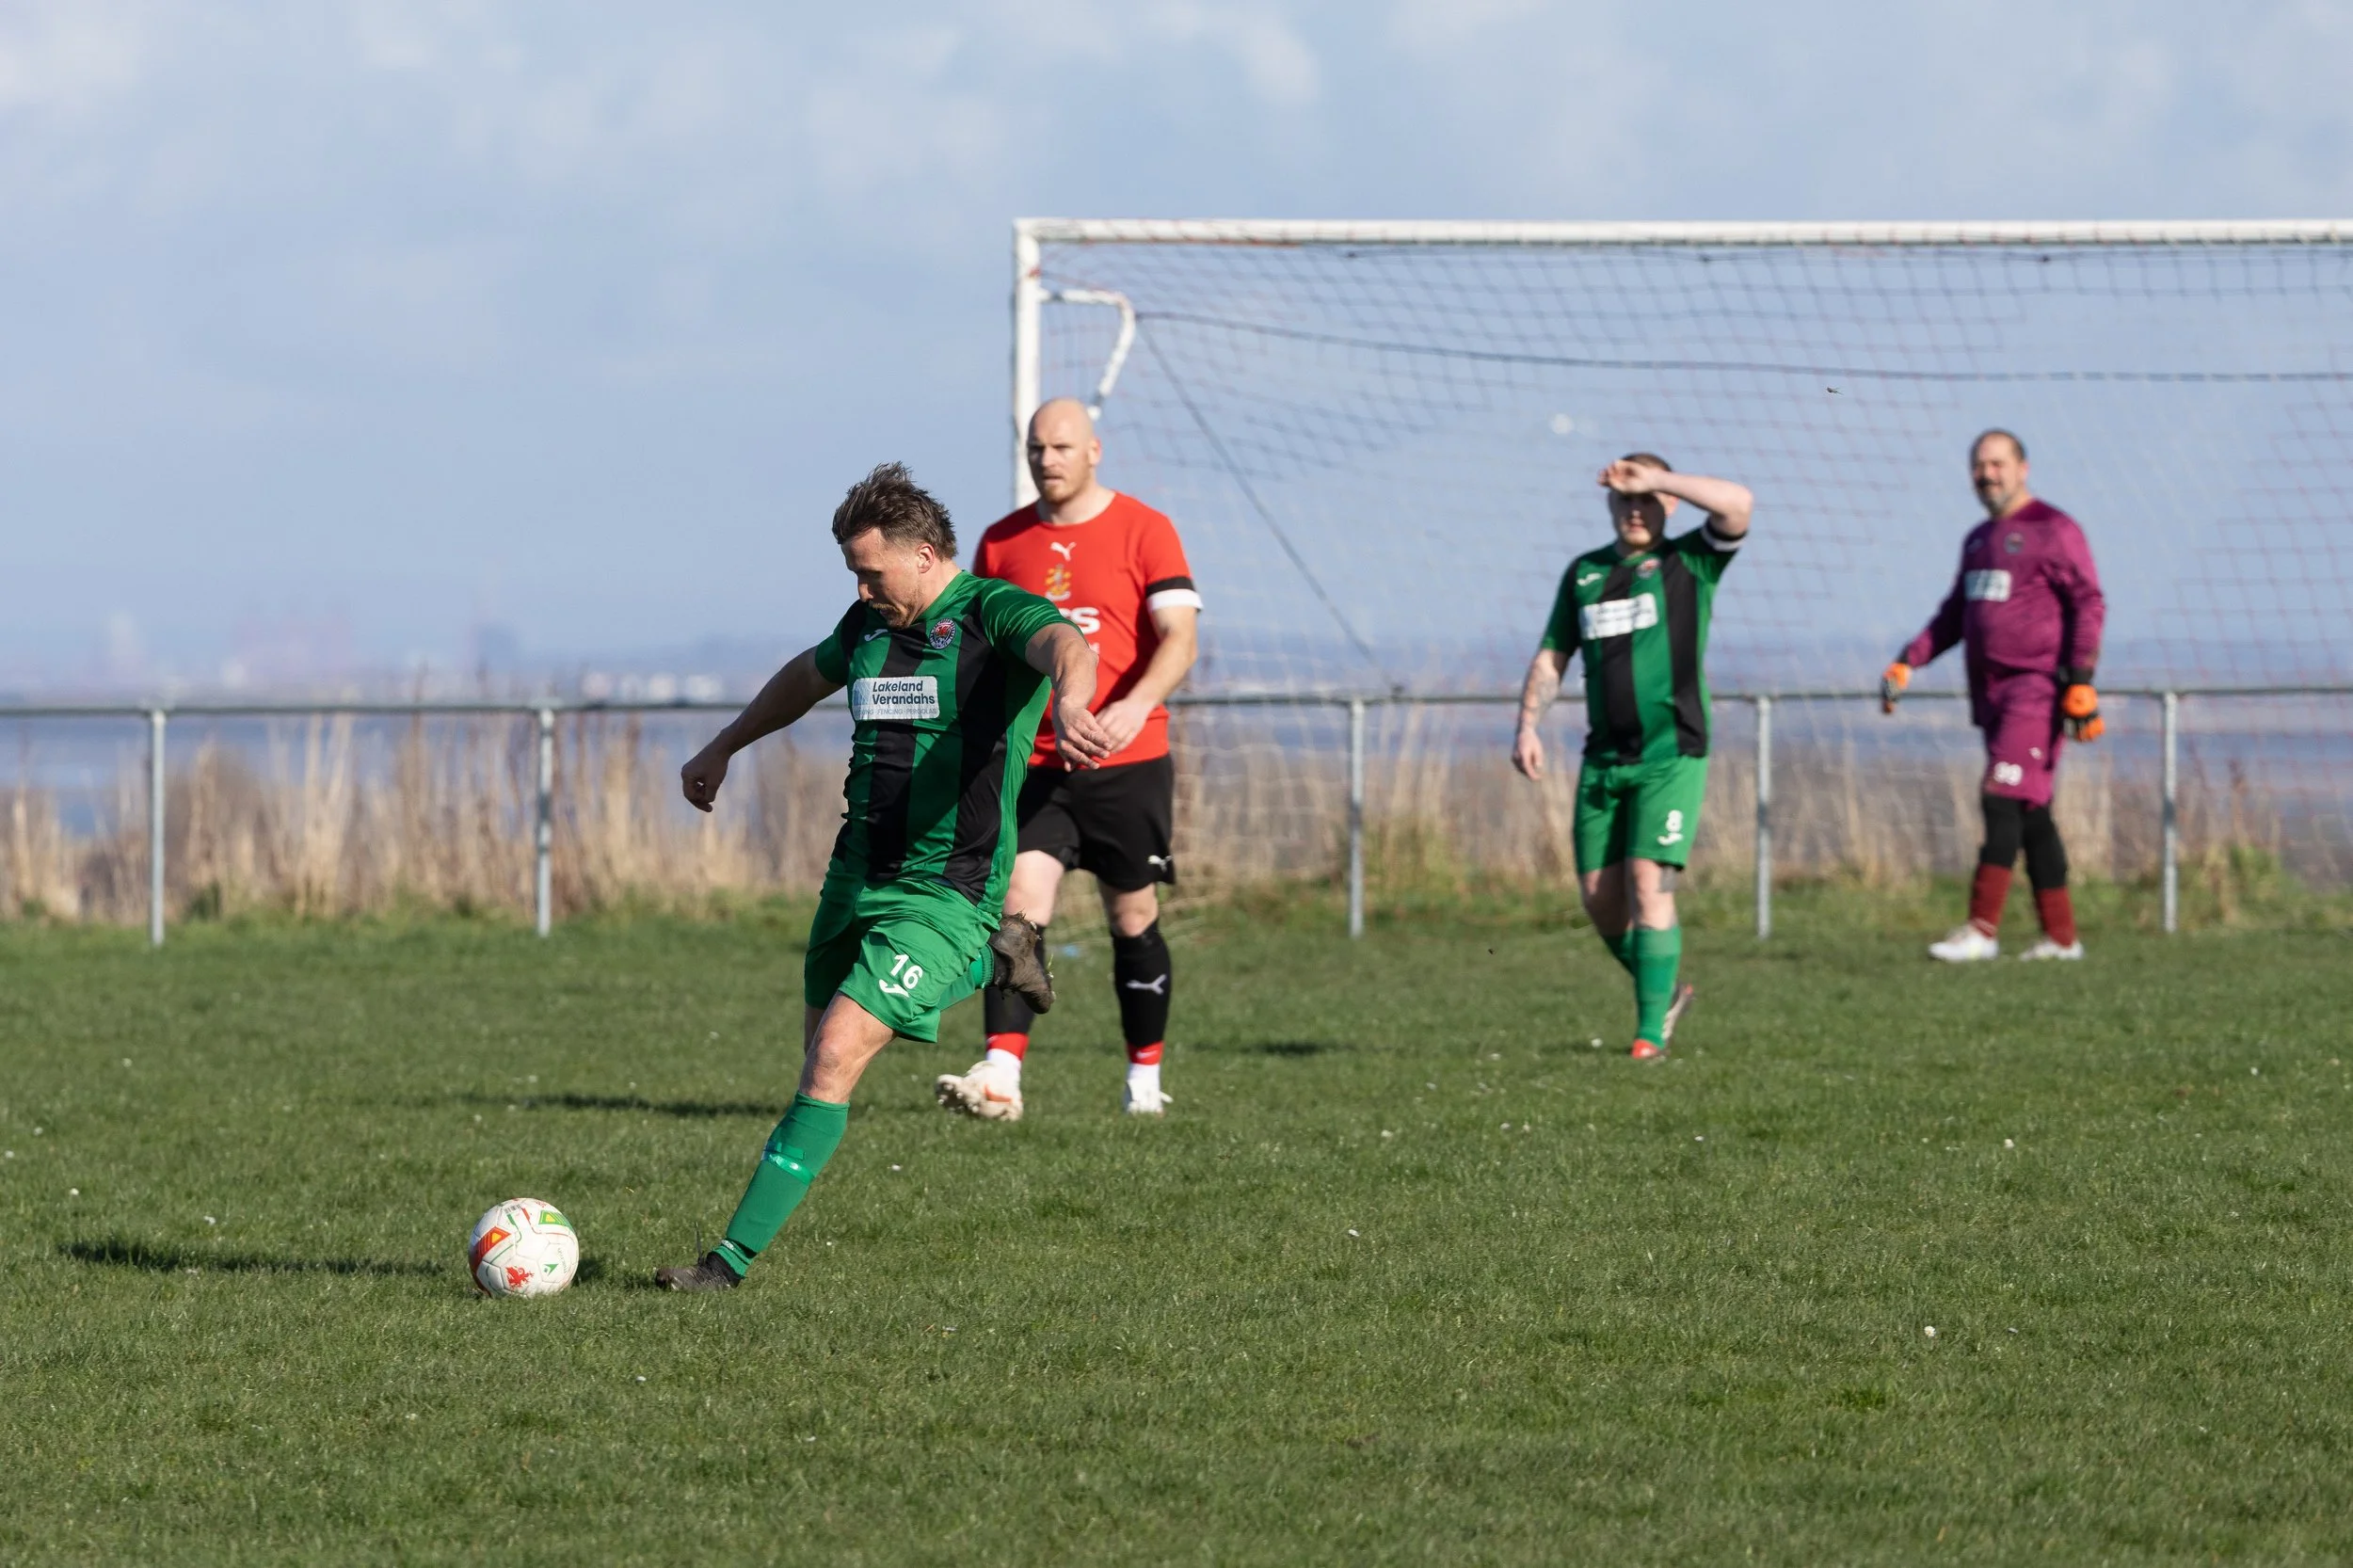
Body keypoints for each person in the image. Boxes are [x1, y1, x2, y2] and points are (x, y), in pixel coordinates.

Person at [654, 462, 1112, 1291]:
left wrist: (1074, 700)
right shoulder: (868, 625)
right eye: (853, 576)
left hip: (948, 891)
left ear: (928, 555)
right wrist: (723, 746)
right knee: (814, 1065)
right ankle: (1002, 955)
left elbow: (1065, 645)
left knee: (836, 1055)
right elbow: (804, 677)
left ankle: (726, 1267)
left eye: (872, 572)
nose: (863, 590)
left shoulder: (990, 612)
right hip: (854, 875)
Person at [934, 397, 1203, 1120]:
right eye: (1036, 449)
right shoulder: (1001, 544)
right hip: (1038, 769)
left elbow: (1179, 636)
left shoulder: (1147, 530)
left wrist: (1132, 704)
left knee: (1133, 918)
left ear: (1094, 450)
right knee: (1016, 911)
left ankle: (1144, 1083)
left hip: (1129, 762)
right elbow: (979, 650)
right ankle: (999, 1077)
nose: (1046, 460)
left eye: (1060, 447)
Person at [1512, 454, 1753, 1060]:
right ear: (1610, 505)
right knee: (1600, 900)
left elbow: (1739, 505)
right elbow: (1552, 657)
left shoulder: (1689, 562)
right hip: (1604, 761)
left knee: (1650, 884)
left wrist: (1659, 479)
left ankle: (1649, 1036)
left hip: (1673, 756)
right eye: (1625, 499)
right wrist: (1527, 726)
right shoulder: (1584, 574)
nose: (1636, 509)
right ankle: (1666, 990)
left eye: (1646, 498)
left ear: (1669, 503)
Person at [1881, 430, 2106, 962]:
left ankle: (1981, 930)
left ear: (2023, 467)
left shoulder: (2054, 529)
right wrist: (1908, 659)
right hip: (1990, 696)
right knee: (2031, 812)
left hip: (2037, 690)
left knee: (2000, 797)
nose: (1988, 474)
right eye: (1980, 466)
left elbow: (2089, 602)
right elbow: (1956, 615)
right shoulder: (1979, 539)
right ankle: (2061, 939)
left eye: (1998, 464)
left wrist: (2079, 681)